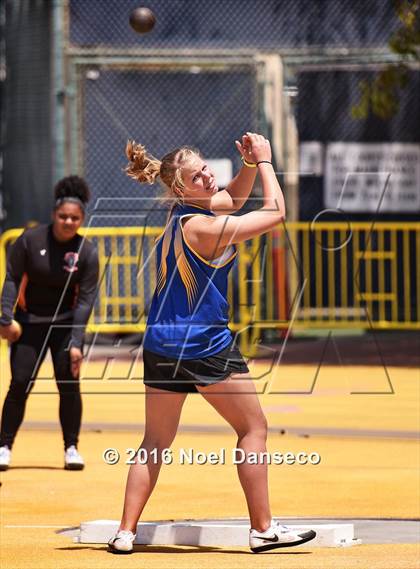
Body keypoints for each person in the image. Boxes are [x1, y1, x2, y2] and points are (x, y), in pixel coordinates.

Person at [108, 133, 316, 554]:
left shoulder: (185, 215)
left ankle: (124, 533)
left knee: (155, 441)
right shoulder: (203, 226)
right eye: (197, 175)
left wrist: (245, 168)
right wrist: (266, 162)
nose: (208, 175)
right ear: (181, 188)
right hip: (202, 342)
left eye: (206, 168)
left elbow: (233, 203)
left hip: (160, 344)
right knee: (252, 428)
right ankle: (263, 529)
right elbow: (275, 213)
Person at [0, 176, 99, 471]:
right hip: (28, 325)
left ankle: (71, 448)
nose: (68, 222)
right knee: (19, 383)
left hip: (65, 327)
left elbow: (85, 301)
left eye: (75, 218)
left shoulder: (87, 252)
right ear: (54, 215)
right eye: (63, 216)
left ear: (82, 219)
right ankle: (4, 446)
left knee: (68, 384)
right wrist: (5, 318)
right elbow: (12, 280)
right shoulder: (29, 241)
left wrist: (77, 343)